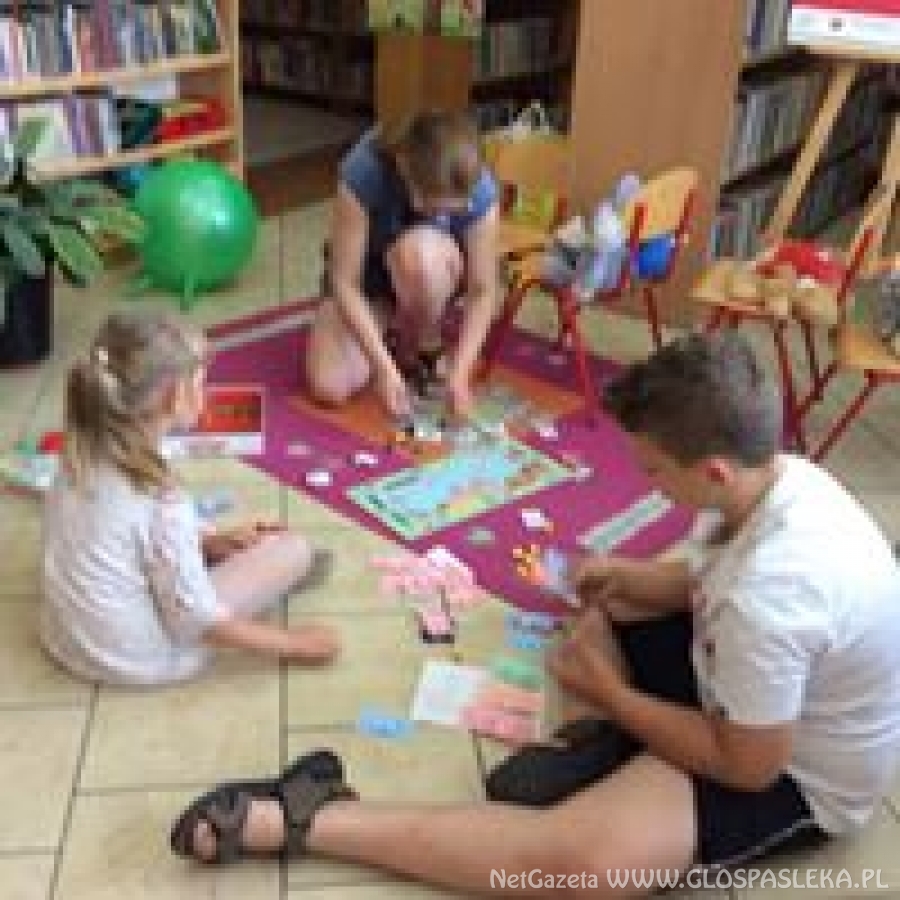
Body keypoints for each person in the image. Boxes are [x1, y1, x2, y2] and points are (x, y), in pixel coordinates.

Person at [169, 332, 900, 895]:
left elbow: (747, 766)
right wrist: (627, 576)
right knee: (606, 601)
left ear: (712, 470)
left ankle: (306, 817)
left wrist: (613, 693)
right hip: (739, 685)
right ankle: (615, 745)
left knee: (572, 868)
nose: (646, 482)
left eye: (652, 470)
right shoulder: (775, 476)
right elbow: (704, 579)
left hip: (787, 771)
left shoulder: (774, 598)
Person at [39, 310, 340, 687]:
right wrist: (295, 645)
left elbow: (125, 532)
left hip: (65, 641)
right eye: (201, 381)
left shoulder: (77, 453)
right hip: (142, 660)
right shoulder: (164, 500)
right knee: (292, 550)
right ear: (177, 396)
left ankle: (205, 551)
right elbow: (196, 621)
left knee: (201, 543)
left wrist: (210, 543)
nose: (206, 391)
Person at [304, 108, 500, 421]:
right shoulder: (363, 170)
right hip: (369, 279)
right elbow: (345, 281)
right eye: (432, 207)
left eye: (451, 210)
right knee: (330, 386)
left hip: (433, 270)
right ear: (403, 167)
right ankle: (388, 327)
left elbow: (483, 290)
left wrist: (461, 374)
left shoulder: (478, 186)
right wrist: (382, 367)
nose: (440, 215)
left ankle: (422, 342)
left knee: (420, 255)